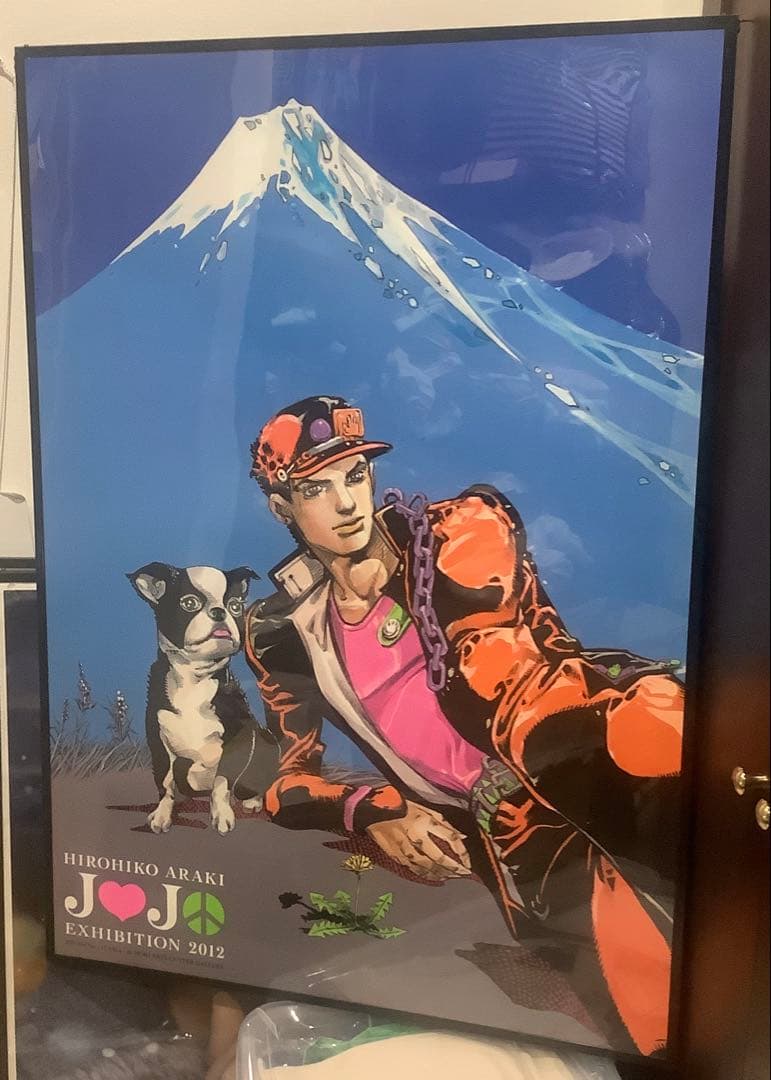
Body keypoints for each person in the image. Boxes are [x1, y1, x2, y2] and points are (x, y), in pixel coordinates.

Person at [245, 394, 684, 1056]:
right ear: (282, 507)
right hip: (513, 844)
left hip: (596, 746)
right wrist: (376, 808)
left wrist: (582, 747)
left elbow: (503, 672)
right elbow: (287, 784)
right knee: (648, 1022)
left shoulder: (456, 533)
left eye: (355, 475)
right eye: (315, 488)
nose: (345, 502)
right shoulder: (282, 631)